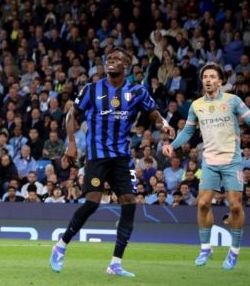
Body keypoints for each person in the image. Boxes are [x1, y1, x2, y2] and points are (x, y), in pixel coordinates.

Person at [50, 47, 175, 277]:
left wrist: (165, 125)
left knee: (130, 202)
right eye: (109, 58)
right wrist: (71, 142)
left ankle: (115, 263)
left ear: (125, 66)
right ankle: (61, 245)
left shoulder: (137, 91)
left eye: (117, 59)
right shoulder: (91, 89)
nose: (111, 61)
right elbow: (72, 115)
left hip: (123, 159)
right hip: (98, 156)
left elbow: (155, 115)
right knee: (92, 203)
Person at [163, 63, 248, 270]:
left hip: (232, 160)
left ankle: (234, 251)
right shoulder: (196, 105)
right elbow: (188, 132)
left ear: (220, 80)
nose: (208, 80)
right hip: (209, 161)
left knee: (235, 206)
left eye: (212, 76)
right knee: (202, 204)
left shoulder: (233, 101)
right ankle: (205, 247)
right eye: (205, 77)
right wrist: (171, 145)